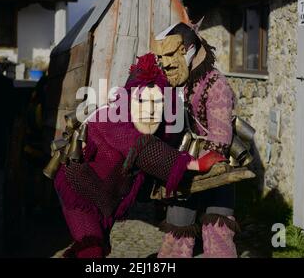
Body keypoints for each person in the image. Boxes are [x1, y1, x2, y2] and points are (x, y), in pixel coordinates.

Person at [53, 53, 225, 258]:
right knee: (92, 249)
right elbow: (142, 148)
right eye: (141, 100)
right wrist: (196, 164)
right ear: (127, 101)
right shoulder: (113, 119)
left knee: (99, 246)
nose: (150, 110)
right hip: (80, 193)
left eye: (158, 102)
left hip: (105, 198)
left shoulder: (157, 127)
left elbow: (166, 145)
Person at [154, 22, 238, 258]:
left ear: (189, 49)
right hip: (186, 163)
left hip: (216, 167)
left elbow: (220, 139)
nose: (168, 61)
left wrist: (196, 166)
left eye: (174, 53)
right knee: (178, 230)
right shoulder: (177, 80)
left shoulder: (216, 83)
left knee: (218, 228)